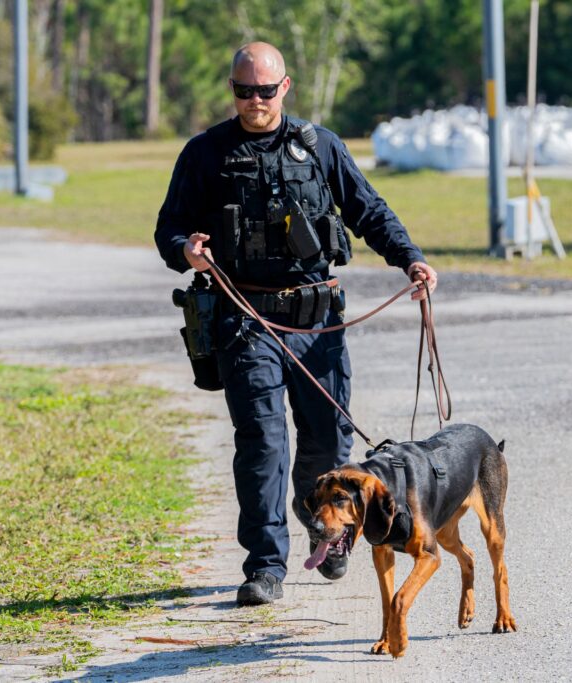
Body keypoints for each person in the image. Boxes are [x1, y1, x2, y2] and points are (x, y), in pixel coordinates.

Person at [155, 42, 437, 606]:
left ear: (285, 87)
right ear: (232, 90)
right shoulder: (205, 153)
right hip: (246, 320)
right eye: (243, 91)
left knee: (328, 445)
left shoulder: (321, 146)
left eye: (265, 90)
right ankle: (265, 567)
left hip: (317, 323)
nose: (254, 100)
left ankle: (326, 532)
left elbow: (368, 211)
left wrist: (409, 257)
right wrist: (186, 248)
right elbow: (169, 228)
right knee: (261, 442)